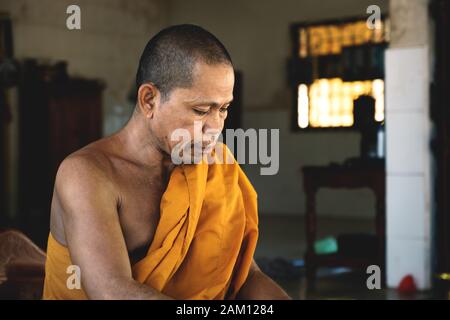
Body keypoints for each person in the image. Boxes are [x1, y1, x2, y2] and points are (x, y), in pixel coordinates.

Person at [43, 24, 290, 300]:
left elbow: (246, 277)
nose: (215, 127)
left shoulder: (214, 165)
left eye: (223, 109)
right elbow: (110, 292)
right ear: (149, 100)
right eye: (200, 110)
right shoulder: (87, 174)